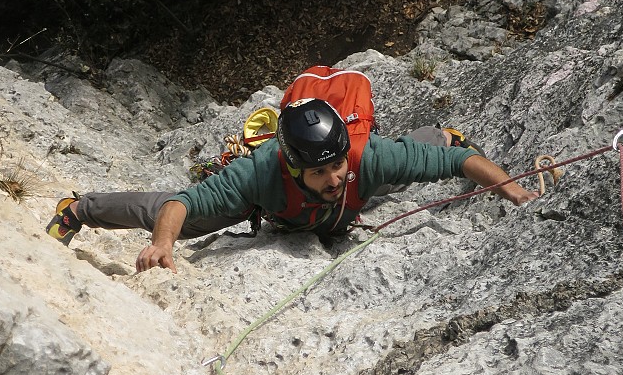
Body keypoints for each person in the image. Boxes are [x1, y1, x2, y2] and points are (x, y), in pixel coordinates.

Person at [46, 99, 538, 272]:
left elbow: (458, 161)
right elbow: (181, 201)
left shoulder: (363, 160)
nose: (332, 177)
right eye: (320, 172)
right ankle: (80, 209)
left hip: (346, 203)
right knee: (178, 220)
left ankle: (436, 128)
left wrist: (511, 189)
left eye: (336, 165)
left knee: (419, 157)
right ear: (293, 165)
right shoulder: (260, 174)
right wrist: (162, 243)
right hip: (272, 206)